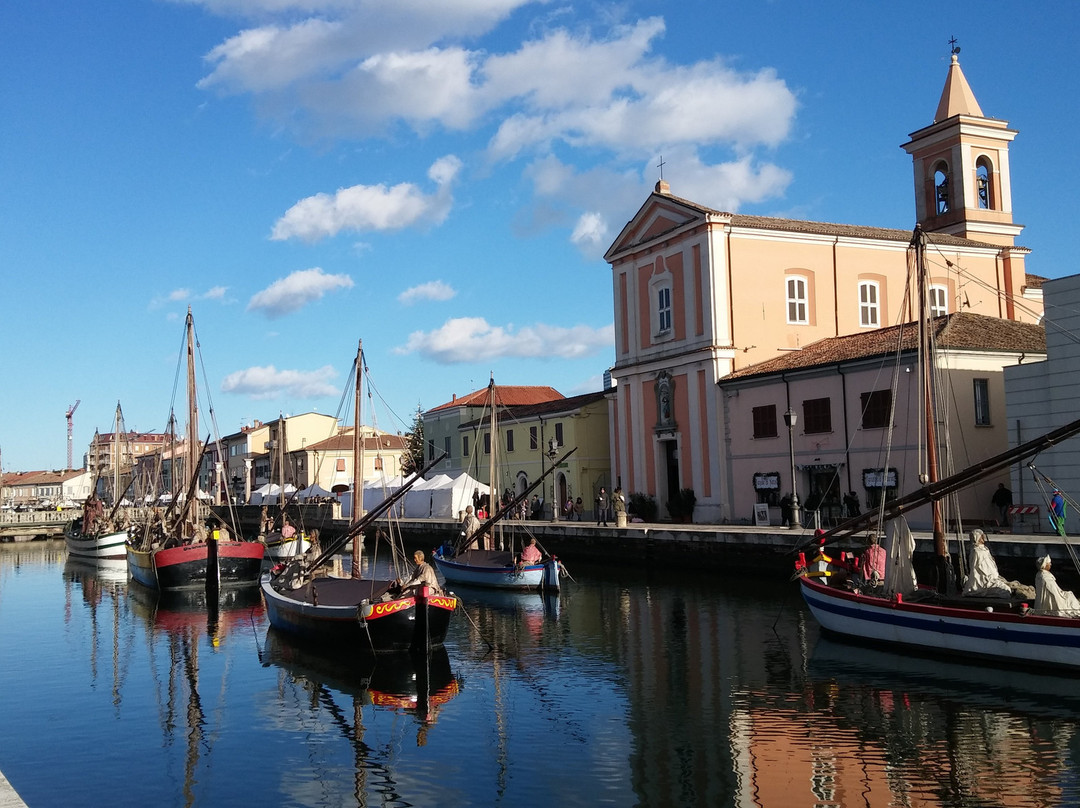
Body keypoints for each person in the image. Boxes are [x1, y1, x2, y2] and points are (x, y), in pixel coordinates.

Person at [961, 529, 1010, 598]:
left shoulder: (985, 549)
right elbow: (975, 570)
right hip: (983, 580)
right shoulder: (976, 551)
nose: (983, 538)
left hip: (992, 577)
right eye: (981, 537)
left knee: (1006, 589)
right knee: (1005, 591)